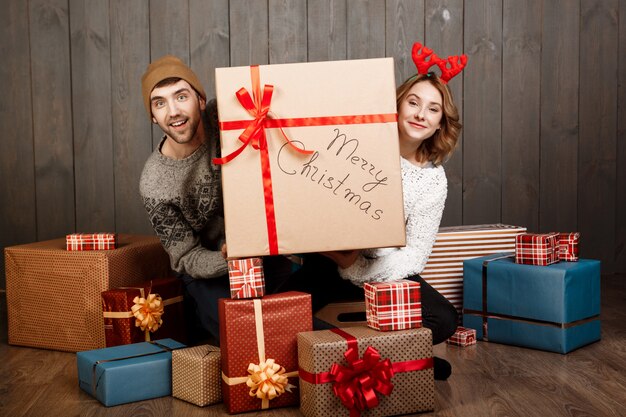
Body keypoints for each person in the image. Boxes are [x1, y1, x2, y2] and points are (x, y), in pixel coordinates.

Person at [276, 43, 466, 381]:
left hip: (383, 271)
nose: (421, 114)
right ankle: (393, 360)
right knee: (273, 311)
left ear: (440, 123)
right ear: (396, 106)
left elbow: (414, 258)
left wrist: (357, 268)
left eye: (433, 109)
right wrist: (340, 256)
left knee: (445, 320)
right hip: (327, 261)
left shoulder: (433, 181)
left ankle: (359, 359)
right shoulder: (356, 143)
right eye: (413, 102)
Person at [139, 55, 291, 344]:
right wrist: (228, 259)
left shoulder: (224, 115)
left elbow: (279, 99)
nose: (173, 111)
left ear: (200, 99)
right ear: (152, 116)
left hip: (267, 252)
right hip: (212, 272)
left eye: (181, 96)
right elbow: (185, 257)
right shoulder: (154, 184)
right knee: (241, 333)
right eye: (160, 103)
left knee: (310, 303)